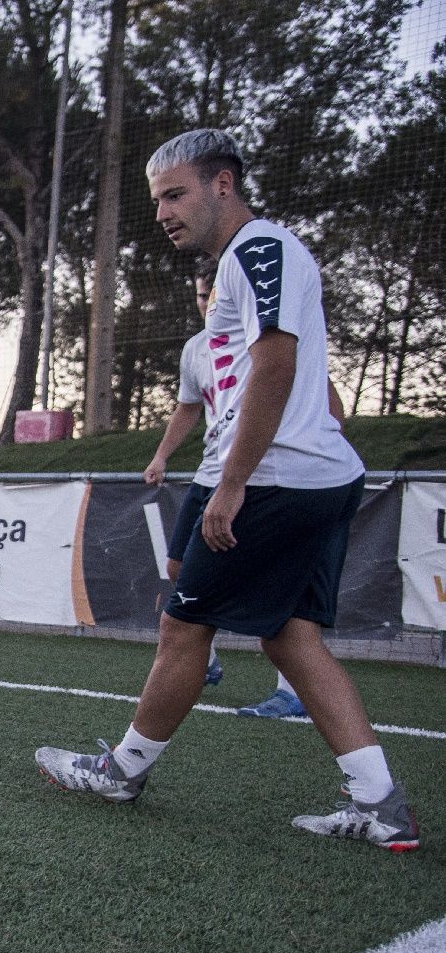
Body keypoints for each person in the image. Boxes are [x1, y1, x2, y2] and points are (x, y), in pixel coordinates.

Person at [36, 128, 417, 852]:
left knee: (183, 627)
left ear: (223, 185)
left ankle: (121, 770)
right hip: (318, 476)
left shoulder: (257, 249)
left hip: (276, 479)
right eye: (157, 201)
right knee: (290, 636)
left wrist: (233, 482)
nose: (164, 213)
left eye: (176, 194)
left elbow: (275, 364)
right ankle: (382, 803)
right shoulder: (252, 262)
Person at [143, 259, 351, 720]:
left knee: (284, 611)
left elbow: (330, 408)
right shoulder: (198, 349)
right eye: (202, 295)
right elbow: (187, 409)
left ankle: (128, 762)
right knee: (179, 570)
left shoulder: (272, 342)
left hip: (266, 478)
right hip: (211, 473)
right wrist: (161, 456)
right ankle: (203, 658)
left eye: (215, 293)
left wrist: (313, 445)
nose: (209, 303)